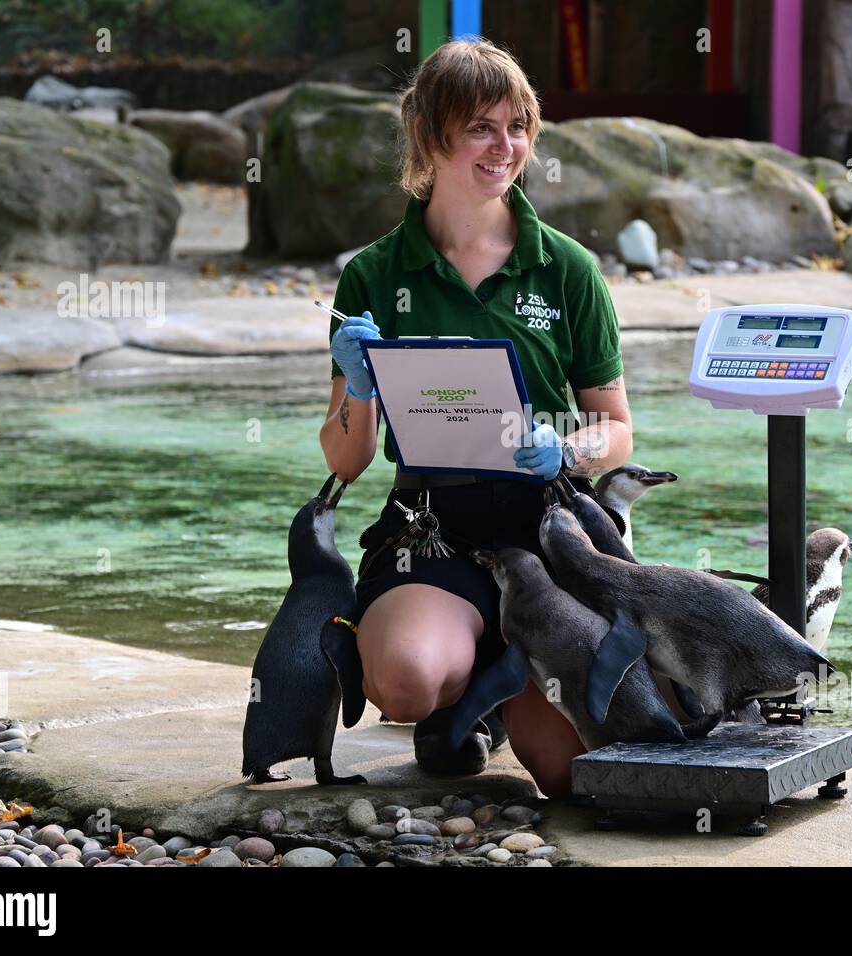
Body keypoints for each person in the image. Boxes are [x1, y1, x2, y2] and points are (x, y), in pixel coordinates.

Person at [318, 39, 634, 799]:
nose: (507, 148)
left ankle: (506, 677)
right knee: (403, 680)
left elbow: (617, 426)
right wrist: (357, 385)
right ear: (430, 136)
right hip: (431, 522)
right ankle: (461, 696)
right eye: (482, 128)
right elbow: (345, 460)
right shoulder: (373, 273)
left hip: (548, 531)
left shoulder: (566, 268)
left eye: (517, 126)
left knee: (566, 775)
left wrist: (567, 449)